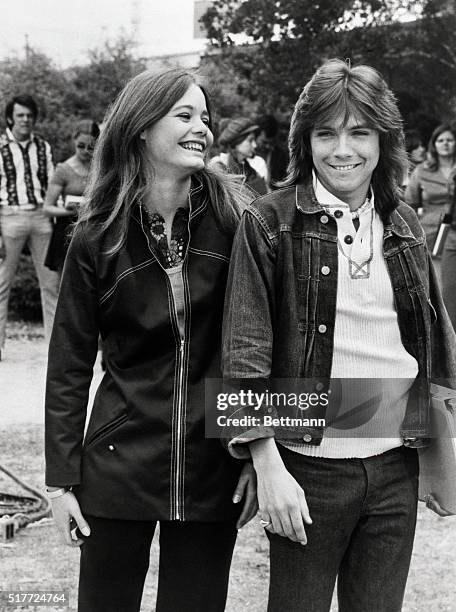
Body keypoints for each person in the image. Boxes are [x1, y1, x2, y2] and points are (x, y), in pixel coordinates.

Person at [221, 59, 456, 612]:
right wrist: (266, 464)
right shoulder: (268, 221)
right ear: (305, 141)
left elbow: (430, 344)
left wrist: (438, 449)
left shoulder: (404, 224)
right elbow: (243, 349)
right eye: (325, 132)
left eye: (359, 132)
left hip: (397, 463)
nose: (342, 149)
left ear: (383, 138)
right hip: (307, 466)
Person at [45, 68, 256, 612]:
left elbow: (263, 341)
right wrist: (61, 481)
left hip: (214, 461)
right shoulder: (95, 232)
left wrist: (261, 453)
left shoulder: (237, 220)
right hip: (118, 459)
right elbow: (68, 361)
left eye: (205, 118)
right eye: (183, 115)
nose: (202, 128)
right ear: (140, 126)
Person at [0, 94, 58, 360]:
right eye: (20, 115)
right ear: (11, 117)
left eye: (29, 115)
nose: (25, 120)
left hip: (40, 217)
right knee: (1, 283)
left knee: (51, 284)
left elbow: (50, 186)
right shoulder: (0, 146)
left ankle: (56, 350)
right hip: (9, 216)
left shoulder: (43, 147)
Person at [44, 120, 100, 276]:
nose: (85, 151)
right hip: (67, 230)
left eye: (91, 147)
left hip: (93, 228)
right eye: (81, 146)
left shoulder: (99, 167)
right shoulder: (63, 169)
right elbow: (47, 208)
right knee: (67, 282)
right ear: (74, 140)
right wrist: (70, 211)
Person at [405, 124, 456, 246]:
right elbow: (409, 205)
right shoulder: (422, 171)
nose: (445, 144)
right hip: (430, 233)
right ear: (434, 145)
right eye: (440, 140)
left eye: (449, 140)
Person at [210, 117, 268, 195]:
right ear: (236, 142)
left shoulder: (251, 171)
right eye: (250, 140)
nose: (254, 145)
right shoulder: (218, 168)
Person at [255, 114, 289, 189]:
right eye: (264, 142)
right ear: (256, 135)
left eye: (271, 143)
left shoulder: (279, 155)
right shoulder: (244, 155)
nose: (268, 146)